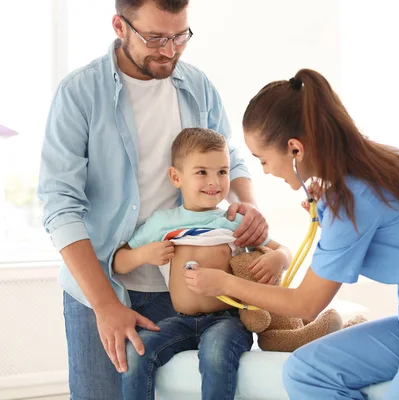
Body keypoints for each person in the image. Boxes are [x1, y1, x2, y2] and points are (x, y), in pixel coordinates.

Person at [182, 69, 399, 400]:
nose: (266, 171)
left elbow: (306, 303)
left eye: (263, 159)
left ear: (295, 149)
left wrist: (224, 284)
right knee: (306, 370)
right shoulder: (372, 171)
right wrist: (327, 213)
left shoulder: (350, 200)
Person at [37, 1, 268, 398]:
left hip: (185, 287)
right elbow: (60, 205)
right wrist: (106, 304)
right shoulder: (79, 94)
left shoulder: (197, 86)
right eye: (155, 37)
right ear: (119, 26)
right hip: (102, 288)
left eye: (180, 36)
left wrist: (248, 205)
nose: (169, 50)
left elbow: (228, 157)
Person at [112, 128, 291, 399]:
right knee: (138, 352)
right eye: (201, 172)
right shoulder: (163, 223)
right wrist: (143, 255)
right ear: (176, 177)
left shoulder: (233, 220)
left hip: (228, 321)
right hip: (181, 321)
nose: (214, 181)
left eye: (222, 171)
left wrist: (278, 258)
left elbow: (284, 250)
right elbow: (117, 262)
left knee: (216, 352)